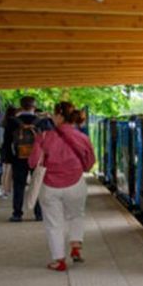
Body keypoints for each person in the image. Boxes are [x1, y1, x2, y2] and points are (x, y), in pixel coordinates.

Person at [29, 101, 95, 271]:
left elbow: (32, 162)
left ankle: (59, 260)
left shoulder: (44, 137)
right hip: (76, 185)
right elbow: (89, 164)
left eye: (53, 113)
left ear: (58, 116)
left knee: (54, 223)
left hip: (49, 187)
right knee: (77, 215)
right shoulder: (82, 137)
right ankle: (75, 246)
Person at [1, 97, 42, 222]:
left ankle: (17, 213)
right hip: (38, 159)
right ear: (34, 107)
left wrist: (7, 159)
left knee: (18, 186)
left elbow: (6, 142)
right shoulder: (41, 122)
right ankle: (39, 213)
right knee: (37, 185)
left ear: (21, 106)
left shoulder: (12, 122)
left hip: (18, 158)